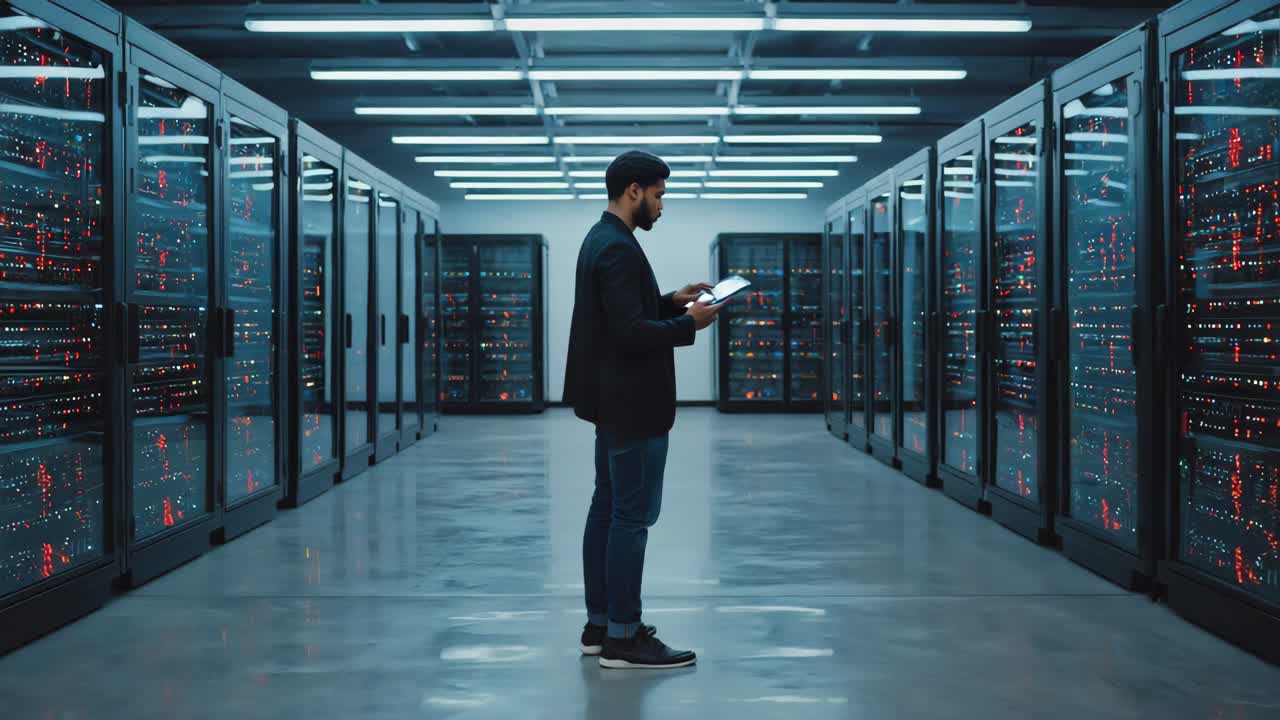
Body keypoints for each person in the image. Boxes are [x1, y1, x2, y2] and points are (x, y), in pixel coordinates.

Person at [563, 150, 720, 669]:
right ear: (633, 191)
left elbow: (622, 314)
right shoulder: (618, 248)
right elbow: (629, 334)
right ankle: (624, 639)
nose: (660, 206)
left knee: (606, 509)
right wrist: (689, 325)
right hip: (634, 405)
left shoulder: (601, 239)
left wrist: (673, 300)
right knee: (631, 517)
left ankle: (600, 624)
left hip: (612, 404)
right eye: (657, 195)